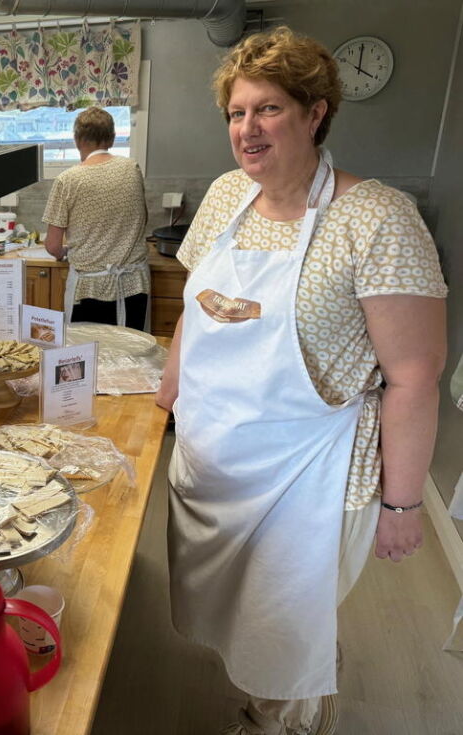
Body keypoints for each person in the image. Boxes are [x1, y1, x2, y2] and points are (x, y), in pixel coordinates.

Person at [155, 27, 447, 735]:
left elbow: (415, 375)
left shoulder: (376, 218)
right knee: (234, 610)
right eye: (235, 112)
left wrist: (403, 505)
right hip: (213, 453)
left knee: (283, 618)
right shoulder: (228, 197)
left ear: (317, 112)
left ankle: (286, 722)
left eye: (269, 110)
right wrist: (168, 391)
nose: (247, 129)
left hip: (308, 472)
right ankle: (281, 695)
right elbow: (195, 306)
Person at [42, 106, 149, 329]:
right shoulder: (133, 169)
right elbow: (141, 219)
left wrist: (63, 252)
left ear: (76, 139)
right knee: (131, 358)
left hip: (88, 289)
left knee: (89, 359)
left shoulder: (67, 180)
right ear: (111, 138)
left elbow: (52, 245)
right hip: (133, 285)